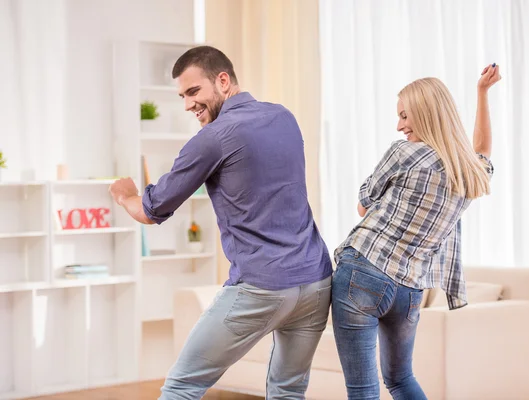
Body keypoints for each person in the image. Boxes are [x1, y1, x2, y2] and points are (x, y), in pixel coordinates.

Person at [108, 45, 332, 399]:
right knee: (288, 391)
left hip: (263, 284)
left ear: (223, 80)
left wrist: (125, 194)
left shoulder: (213, 138)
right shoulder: (284, 116)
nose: (187, 105)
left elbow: (150, 211)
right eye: (182, 95)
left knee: (182, 386)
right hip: (316, 282)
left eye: (194, 92)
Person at [331, 64, 502, 399]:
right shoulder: (469, 172)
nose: (399, 126)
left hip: (363, 274)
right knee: (400, 379)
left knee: (362, 390)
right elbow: (482, 150)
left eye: (405, 116)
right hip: (409, 290)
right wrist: (482, 94)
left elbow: (364, 205)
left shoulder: (404, 153)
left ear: (426, 112)